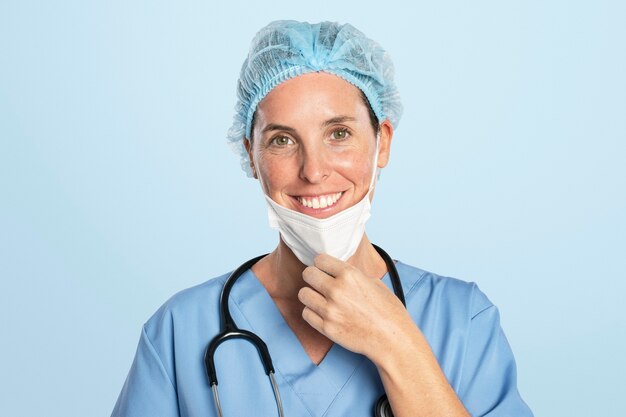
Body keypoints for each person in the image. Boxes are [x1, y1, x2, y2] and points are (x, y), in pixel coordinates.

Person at [112, 20, 533, 417]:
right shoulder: (180, 331)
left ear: (382, 141)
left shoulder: (461, 320)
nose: (313, 170)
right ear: (251, 156)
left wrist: (397, 344)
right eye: (281, 140)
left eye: (339, 134)